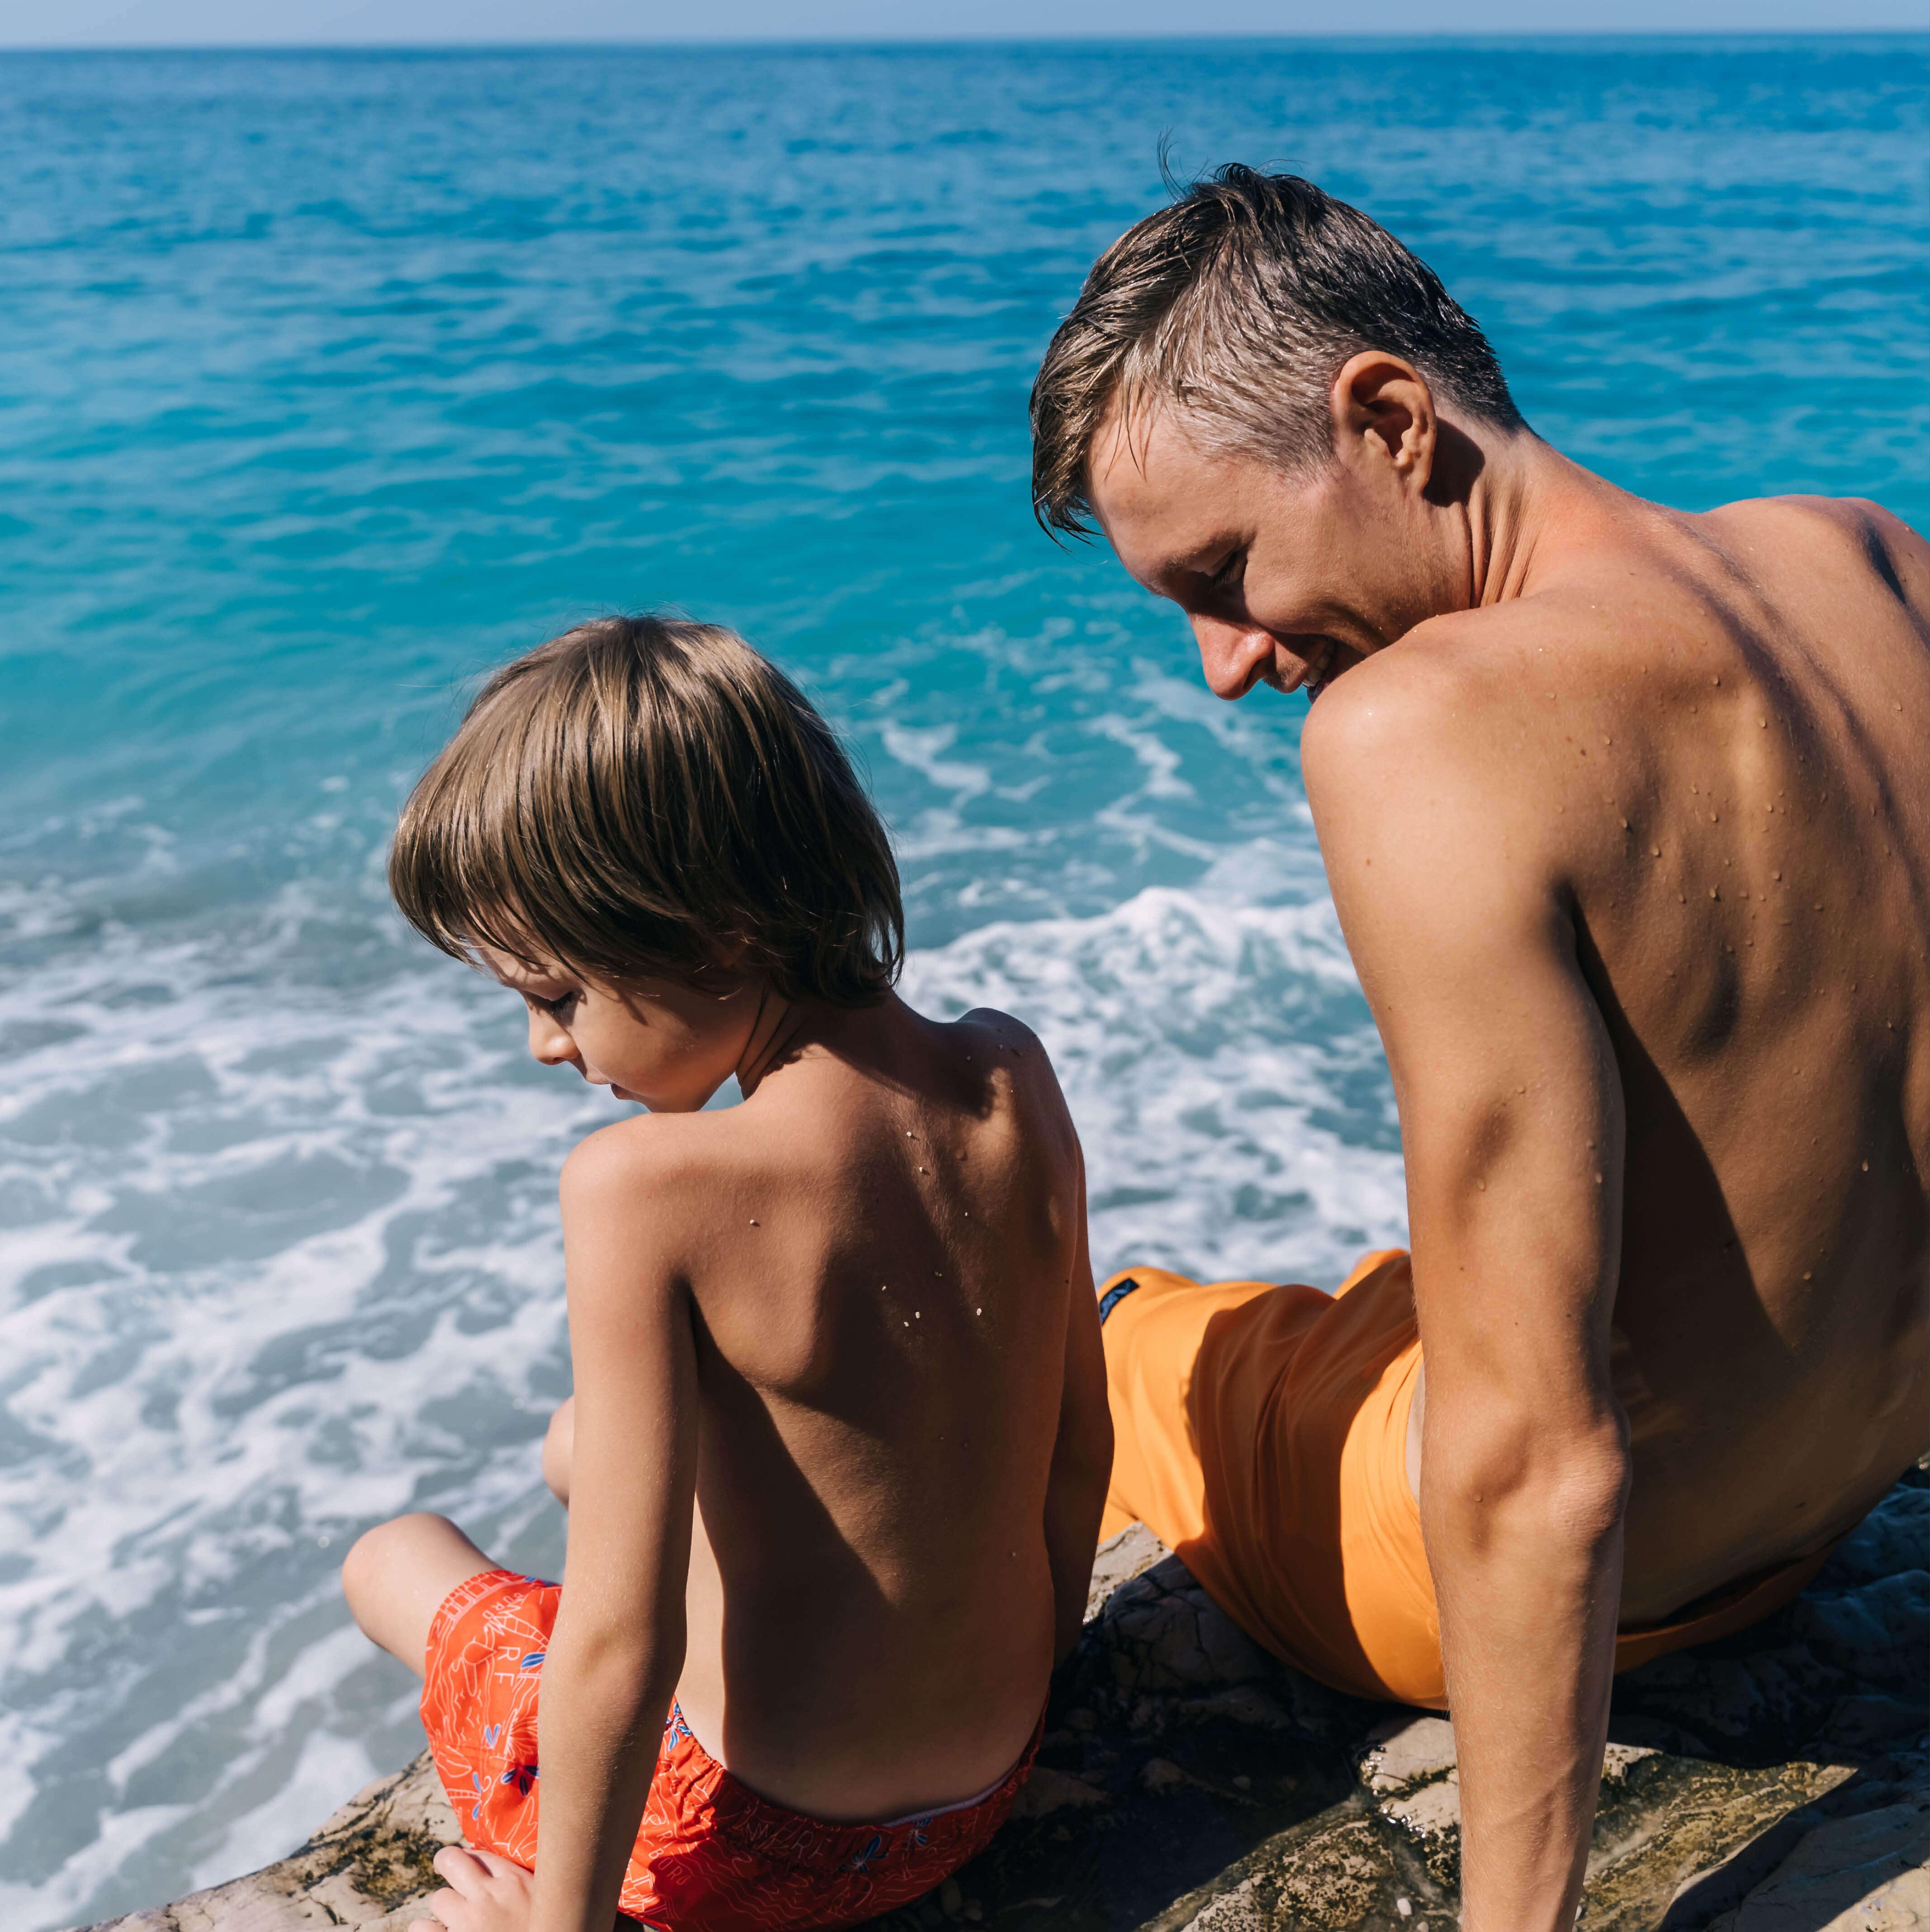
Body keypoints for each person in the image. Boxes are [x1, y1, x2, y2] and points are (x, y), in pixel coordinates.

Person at [1030, 166, 1930, 1930]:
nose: (1224, 666)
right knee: (1404, 1290)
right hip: (1843, 1472)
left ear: (1385, 418)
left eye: (1223, 575)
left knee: (1127, 1341)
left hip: (1657, 1568)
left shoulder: (1421, 727)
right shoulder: (1869, 559)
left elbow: (1531, 1452)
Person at [341, 617, 1111, 1932]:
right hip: (986, 1780)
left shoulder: (646, 1187)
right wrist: (1032, 1702)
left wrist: (559, 1927)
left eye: (557, 994)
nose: (542, 1045)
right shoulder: (1007, 1071)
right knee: (583, 1444)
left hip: (754, 1849)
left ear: (711, 933)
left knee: (394, 1557)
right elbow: (1074, 1452)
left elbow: (617, 1647)